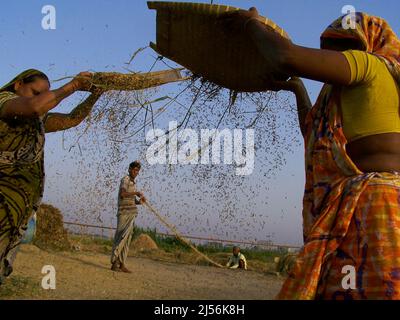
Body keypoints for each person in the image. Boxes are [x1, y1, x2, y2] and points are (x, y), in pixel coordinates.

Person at [219, 8, 400, 299]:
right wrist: (296, 89)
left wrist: (251, 24)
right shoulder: (347, 93)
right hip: (371, 199)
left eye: (340, 47)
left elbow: (285, 56)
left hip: (376, 201)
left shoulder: (367, 65)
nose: (333, 57)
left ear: (363, 41)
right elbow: (316, 134)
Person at [0, 69, 103, 283]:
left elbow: (72, 119)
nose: (38, 98)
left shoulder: (35, 122)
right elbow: (34, 106)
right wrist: (73, 86)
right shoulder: (5, 102)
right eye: (35, 92)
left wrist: (96, 95)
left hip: (14, 212)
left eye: (42, 95)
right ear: (18, 84)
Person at [111, 161, 146, 273]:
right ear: (129, 169)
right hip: (123, 213)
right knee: (121, 237)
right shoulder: (125, 180)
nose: (136, 172)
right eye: (134, 170)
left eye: (138, 171)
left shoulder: (133, 183)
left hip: (131, 213)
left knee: (127, 239)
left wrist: (140, 202)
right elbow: (123, 194)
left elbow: (130, 200)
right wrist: (135, 193)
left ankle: (121, 263)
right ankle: (114, 262)